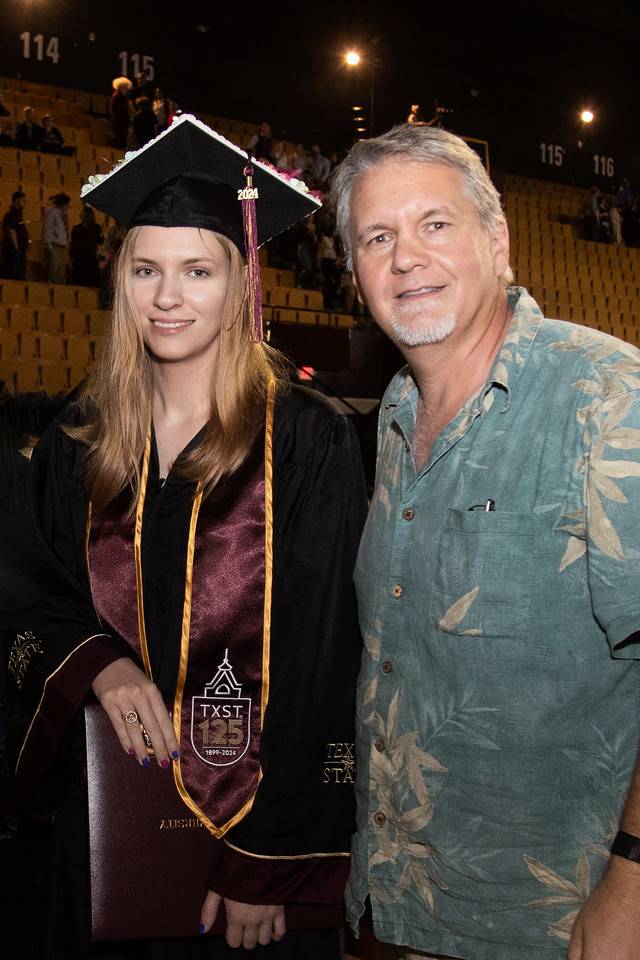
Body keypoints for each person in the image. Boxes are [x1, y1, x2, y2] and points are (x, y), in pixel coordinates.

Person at [4, 114, 366, 960]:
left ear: (240, 281)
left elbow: (327, 653)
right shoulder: (78, 441)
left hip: (253, 849)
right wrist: (95, 658)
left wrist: (268, 859)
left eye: (197, 270)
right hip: (107, 829)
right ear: (120, 281)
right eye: (146, 270)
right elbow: (24, 587)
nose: (168, 297)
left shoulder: (305, 438)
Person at [331, 123, 640, 960]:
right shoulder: (393, 415)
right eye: (377, 237)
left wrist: (635, 884)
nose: (406, 259)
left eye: (435, 224)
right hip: (393, 911)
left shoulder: (608, 403)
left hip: (550, 924)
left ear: (497, 242)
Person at [69, 205, 103, 286]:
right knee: (78, 280)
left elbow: (100, 241)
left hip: (90, 257)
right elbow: (73, 243)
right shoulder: (76, 228)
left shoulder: (96, 228)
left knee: (89, 280)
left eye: (83, 212)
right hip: (78, 257)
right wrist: (71, 256)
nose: (81, 214)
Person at [42, 192, 70, 283]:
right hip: (54, 245)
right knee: (52, 273)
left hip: (62, 246)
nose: (68, 207)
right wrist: (48, 245)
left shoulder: (64, 214)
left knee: (61, 274)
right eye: (67, 205)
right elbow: (47, 229)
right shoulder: (51, 212)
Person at [2, 190, 29, 280]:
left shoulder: (18, 215)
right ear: (16, 200)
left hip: (20, 250)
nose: (25, 203)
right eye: (23, 200)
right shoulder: (11, 214)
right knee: (12, 274)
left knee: (19, 276)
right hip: (14, 250)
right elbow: (11, 231)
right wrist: (16, 247)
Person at [110, 77, 132, 150]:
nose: (126, 89)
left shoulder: (122, 97)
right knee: (118, 145)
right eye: (125, 87)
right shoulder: (117, 97)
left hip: (122, 126)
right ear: (120, 87)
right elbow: (118, 114)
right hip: (119, 126)